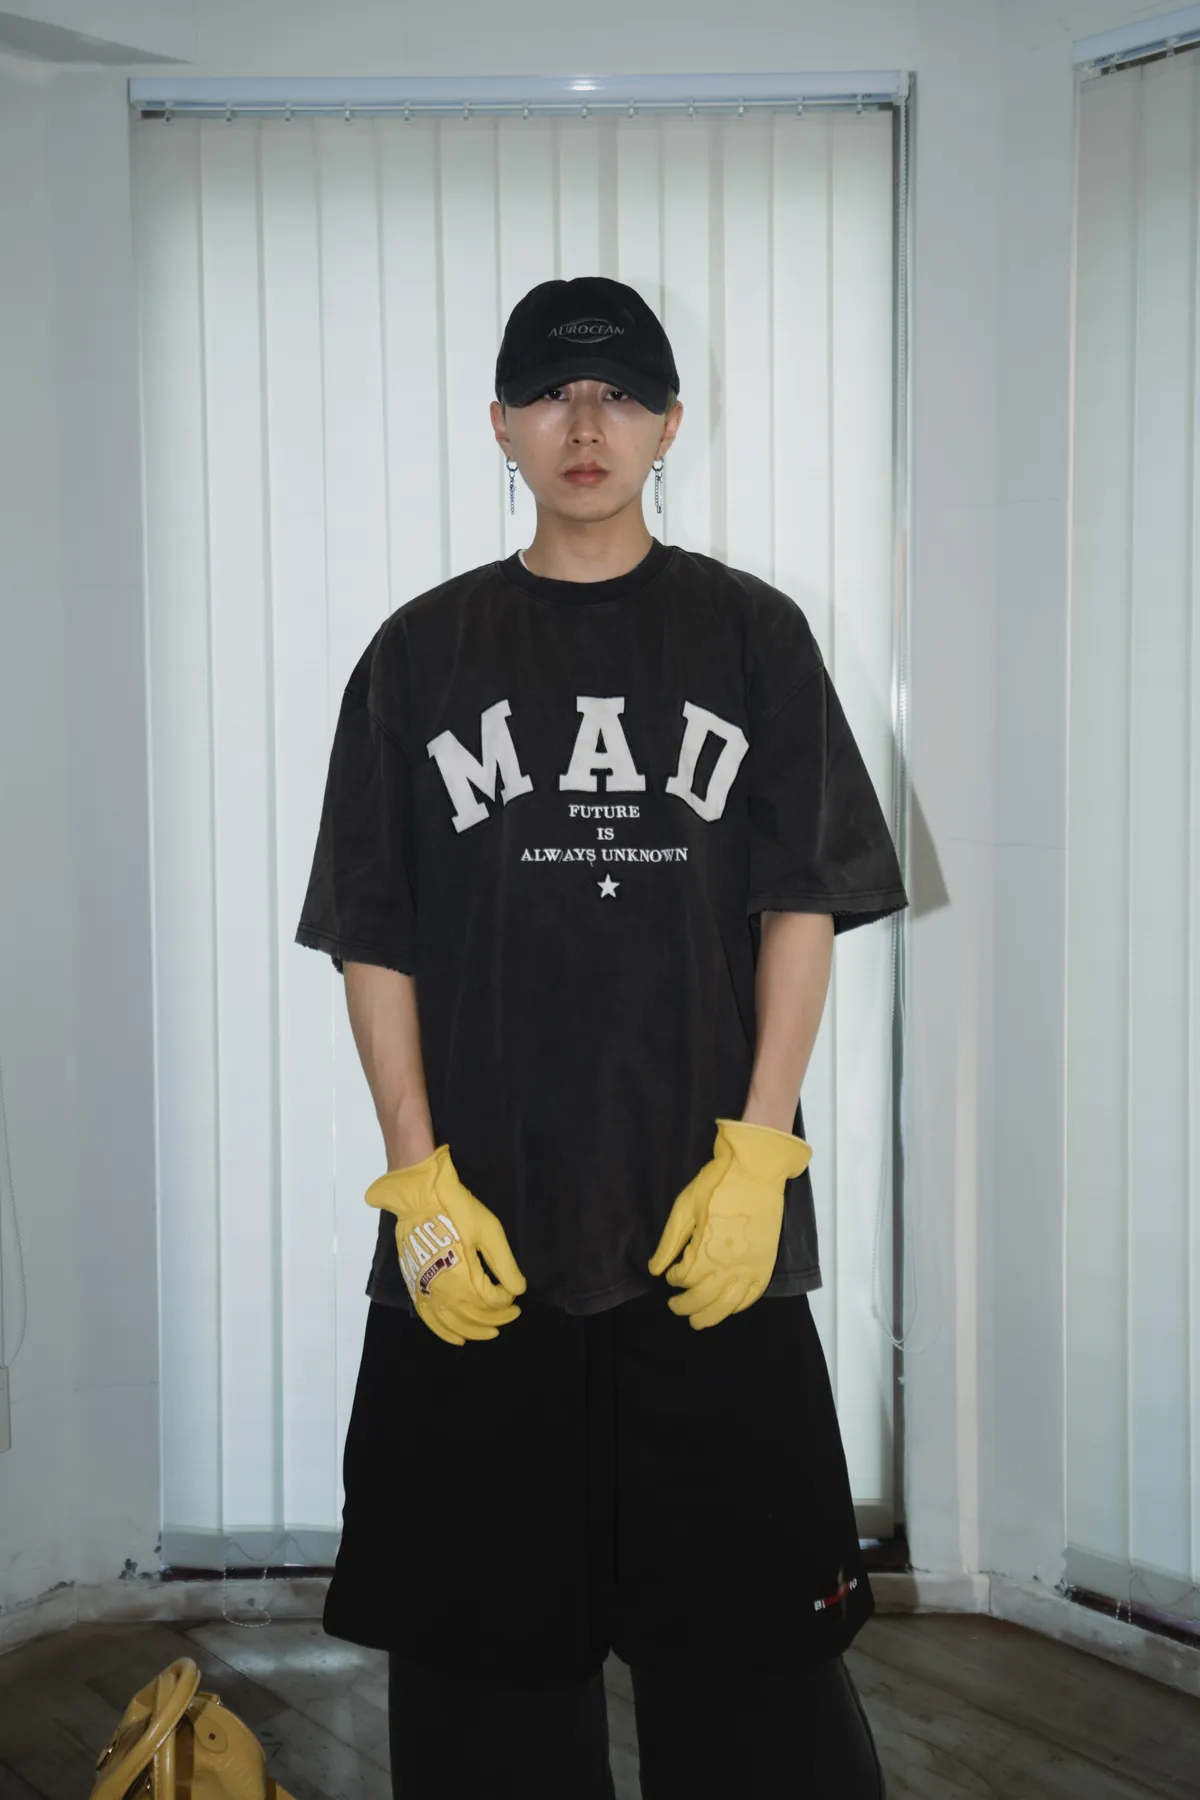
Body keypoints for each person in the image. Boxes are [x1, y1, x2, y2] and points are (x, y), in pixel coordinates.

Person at [295, 275, 906, 1799]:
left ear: (671, 424)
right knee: (484, 1711)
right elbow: (374, 932)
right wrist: (417, 1184)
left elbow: (802, 900)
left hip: (712, 1236)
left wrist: (762, 1151)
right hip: (482, 1245)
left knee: (761, 1707)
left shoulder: (752, 637)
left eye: (622, 391)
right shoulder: (419, 655)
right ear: (500, 424)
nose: (587, 421)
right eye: (552, 394)